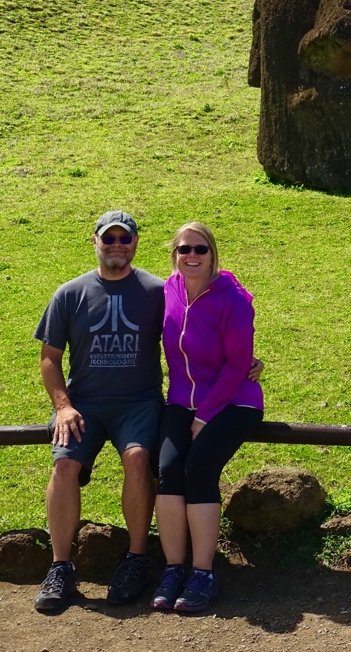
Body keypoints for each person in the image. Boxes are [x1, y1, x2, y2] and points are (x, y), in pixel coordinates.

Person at [32, 210, 165, 613]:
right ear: (95, 242)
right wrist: (64, 406)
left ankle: (136, 559)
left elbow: (193, 335)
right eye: (110, 239)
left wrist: (239, 360)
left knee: (139, 458)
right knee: (64, 466)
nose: (117, 246)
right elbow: (49, 358)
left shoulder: (157, 291)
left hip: (138, 401)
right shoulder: (70, 293)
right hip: (84, 402)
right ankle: (61, 566)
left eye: (125, 239)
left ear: (136, 243)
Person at [150, 221, 265, 615]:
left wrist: (206, 416)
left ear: (213, 254)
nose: (192, 256)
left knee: (198, 469)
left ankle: (202, 573)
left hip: (234, 402)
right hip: (182, 401)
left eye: (200, 249)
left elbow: (237, 365)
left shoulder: (231, 299)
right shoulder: (169, 289)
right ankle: (172, 570)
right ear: (174, 256)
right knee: (167, 469)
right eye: (184, 250)